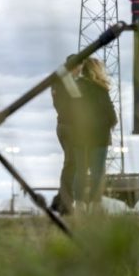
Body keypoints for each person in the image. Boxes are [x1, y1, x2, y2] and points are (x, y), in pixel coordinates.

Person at [72, 57, 117, 212]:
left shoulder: (76, 87)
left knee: (80, 171)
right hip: (99, 138)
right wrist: (105, 125)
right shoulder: (100, 89)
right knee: (98, 172)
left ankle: (79, 205)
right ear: (96, 70)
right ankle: (94, 205)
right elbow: (112, 116)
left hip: (80, 137)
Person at [50, 56, 82, 215]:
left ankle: (62, 200)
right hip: (70, 126)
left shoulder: (57, 81)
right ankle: (64, 202)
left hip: (62, 125)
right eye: (79, 67)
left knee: (71, 164)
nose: (80, 70)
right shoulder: (68, 81)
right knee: (72, 164)